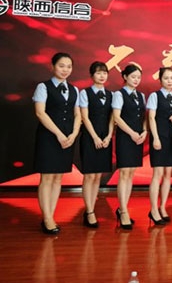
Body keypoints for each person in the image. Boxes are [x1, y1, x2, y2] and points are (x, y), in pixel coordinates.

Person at [33, 52, 81, 234]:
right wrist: (59, 134)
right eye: (61, 66)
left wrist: (74, 134)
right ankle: (46, 218)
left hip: (67, 138)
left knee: (58, 178)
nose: (65, 70)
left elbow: (77, 114)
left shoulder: (74, 90)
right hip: (49, 137)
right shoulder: (43, 87)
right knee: (47, 178)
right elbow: (40, 113)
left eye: (69, 66)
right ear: (52, 66)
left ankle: (51, 215)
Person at [79, 61, 114, 228]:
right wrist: (94, 137)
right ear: (92, 75)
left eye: (104, 73)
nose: (102, 76)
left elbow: (112, 118)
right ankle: (89, 211)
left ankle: (91, 208)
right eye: (98, 73)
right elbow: (84, 117)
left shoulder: (111, 95)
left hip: (105, 138)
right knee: (89, 175)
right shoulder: (85, 93)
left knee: (98, 176)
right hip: (89, 137)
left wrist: (108, 136)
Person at [112, 64, 147, 229]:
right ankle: (123, 210)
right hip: (125, 137)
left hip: (138, 138)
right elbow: (117, 118)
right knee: (124, 173)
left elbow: (144, 117)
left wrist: (145, 131)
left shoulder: (141, 95)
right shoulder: (119, 94)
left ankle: (123, 208)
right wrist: (132, 133)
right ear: (125, 77)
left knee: (131, 173)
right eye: (133, 77)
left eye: (138, 77)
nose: (136, 80)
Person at [147, 67, 172, 226]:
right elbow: (151, 118)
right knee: (157, 174)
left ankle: (162, 207)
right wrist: (155, 138)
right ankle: (153, 209)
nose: (169, 81)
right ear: (160, 80)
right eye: (166, 78)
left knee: (168, 174)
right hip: (159, 139)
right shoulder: (155, 96)